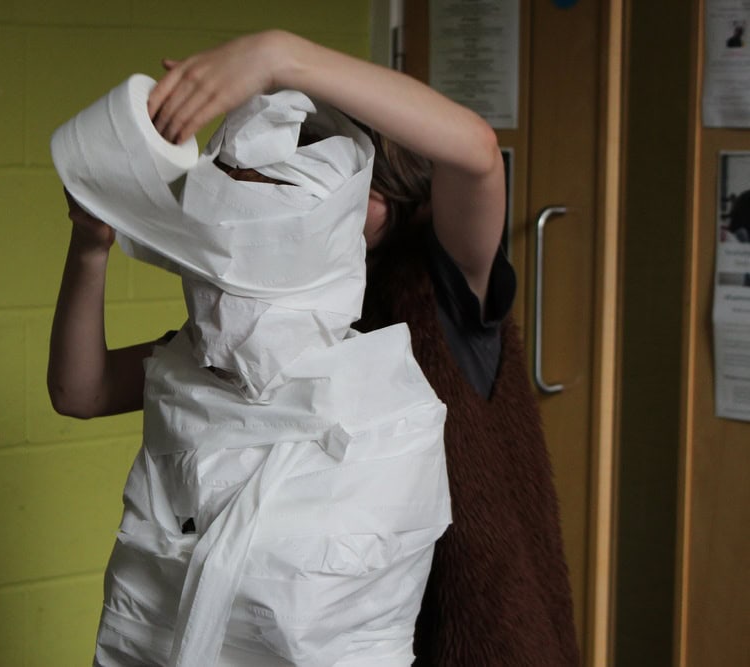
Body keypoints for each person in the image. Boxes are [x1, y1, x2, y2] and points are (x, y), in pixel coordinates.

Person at [49, 30, 580, 666]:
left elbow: (475, 153)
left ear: (382, 198)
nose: (276, 196)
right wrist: (90, 248)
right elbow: (80, 391)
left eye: (308, 176)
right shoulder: (244, 329)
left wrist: (277, 56)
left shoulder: (440, 295)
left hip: (473, 629)